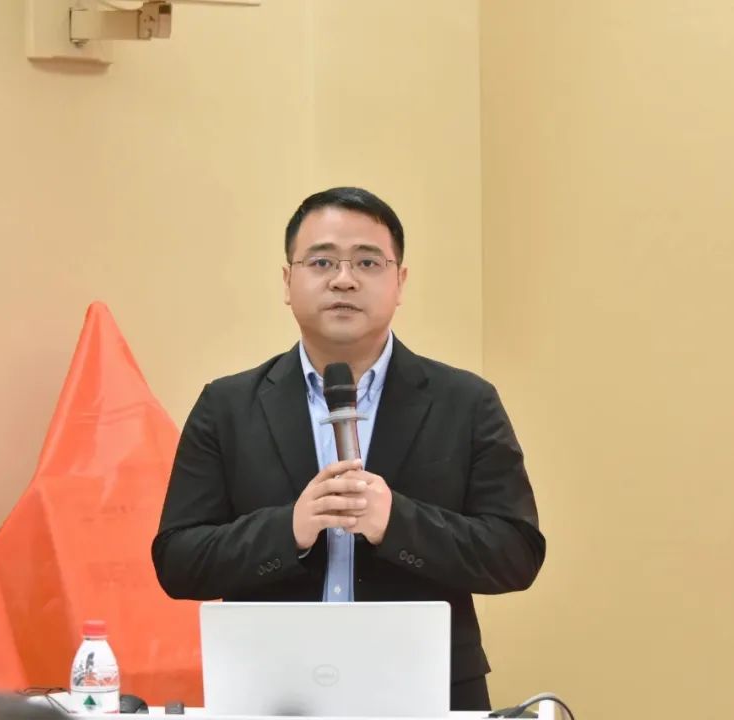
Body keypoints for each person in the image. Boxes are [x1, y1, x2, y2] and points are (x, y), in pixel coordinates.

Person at [151, 186, 545, 710]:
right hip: (271, 690)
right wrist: (289, 529)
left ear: (400, 282)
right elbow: (178, 561)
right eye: (321, 262)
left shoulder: (466, 402)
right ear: (287, 281)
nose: (344, 279)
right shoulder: (227, 406)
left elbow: (516, 554)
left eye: (367, 262)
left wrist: (396, 521)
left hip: (426, 689)